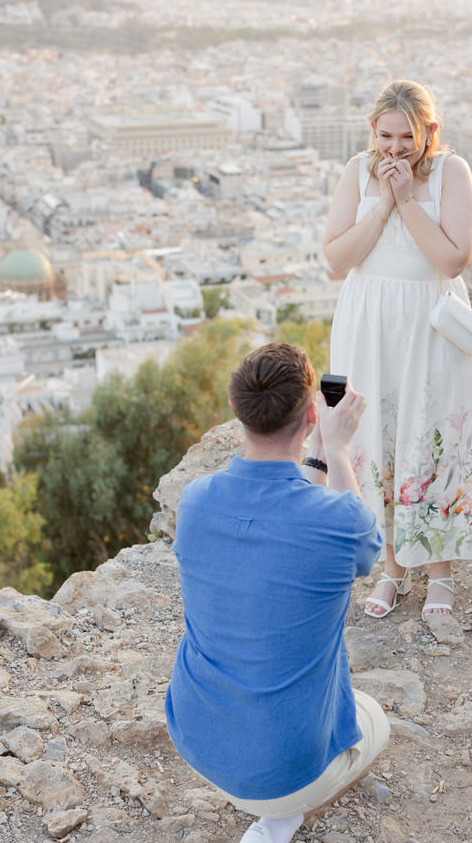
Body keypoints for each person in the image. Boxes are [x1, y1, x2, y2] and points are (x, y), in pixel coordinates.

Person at [165, 343, 389, 843]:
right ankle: (283, 815)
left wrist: (315, 455)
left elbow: (278, 511)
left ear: (238, 413)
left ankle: (275, 806)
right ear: (312, 414)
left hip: (196, 738)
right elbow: (366, 547)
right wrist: (338, 450)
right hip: (284, 770)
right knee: (376, 721)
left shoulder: (196, 501)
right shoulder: (339, 521)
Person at [324, 80, 472, 621]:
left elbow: (452, 259)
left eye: (407, 137)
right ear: (372, 132)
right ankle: (393, 567)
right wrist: (380, 208)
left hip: (428, 324)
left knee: (433, 434)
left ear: (430, 133)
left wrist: (404, 199)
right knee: (382, 439)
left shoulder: (452, 173)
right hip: (367, 323)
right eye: (385, 136)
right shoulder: (356, 171)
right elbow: (335, 260)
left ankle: (440, 572)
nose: (394, 149)